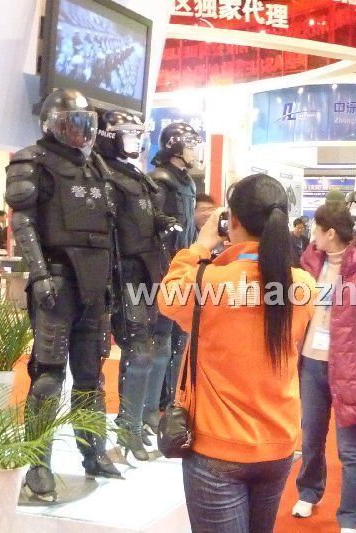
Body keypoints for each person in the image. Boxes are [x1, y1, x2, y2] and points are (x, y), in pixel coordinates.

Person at [158, 173, 316, 531]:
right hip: (278, 442)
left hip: (218, 446)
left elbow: (167, 297)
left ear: (234, 221)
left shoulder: (207, 282)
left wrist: (199, 247)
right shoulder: (303, 285)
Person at [5, 88, 119, 498]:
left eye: (85, 123)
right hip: (57, 280)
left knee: (90, 377)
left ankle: (93, 452)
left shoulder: (97, 167)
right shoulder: (32, 160)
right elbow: (23, 223)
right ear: (52, 124)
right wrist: (39, 275)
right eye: (72, 123)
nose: (79, 132)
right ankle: (39, 464)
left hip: (95, 283)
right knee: (49, 377)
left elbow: (110, 232)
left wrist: (114, 282)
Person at [292, 203, 356, 532]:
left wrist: (353, 343)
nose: (312, 236)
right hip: (311, 362)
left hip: (348, 367)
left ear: (330, 232)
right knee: (311, 436)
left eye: (316, 230)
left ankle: (351, 515)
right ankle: (309, 491)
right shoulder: (310, 263)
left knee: (350, 448)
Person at [96, 109, 174, 460]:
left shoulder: (134, 175)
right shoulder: (102, 174)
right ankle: (126, 426)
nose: (136, 141)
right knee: (138, 350)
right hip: (122, 275)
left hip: (147, 271)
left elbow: (144, 218)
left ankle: (138, 420)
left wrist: (162, 222)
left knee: (151, 348)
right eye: (129, 133)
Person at [145, 121, 199, 433]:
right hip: (165, 272)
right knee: (161, 342)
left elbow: (188, 232)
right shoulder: (160, 180)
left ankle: (171, 401)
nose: (195, 151)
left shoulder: (186, 182)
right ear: (175, 147)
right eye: (190, 145)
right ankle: (150, 409)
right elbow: (153, 228)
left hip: (184, 269)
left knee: (180, 342)